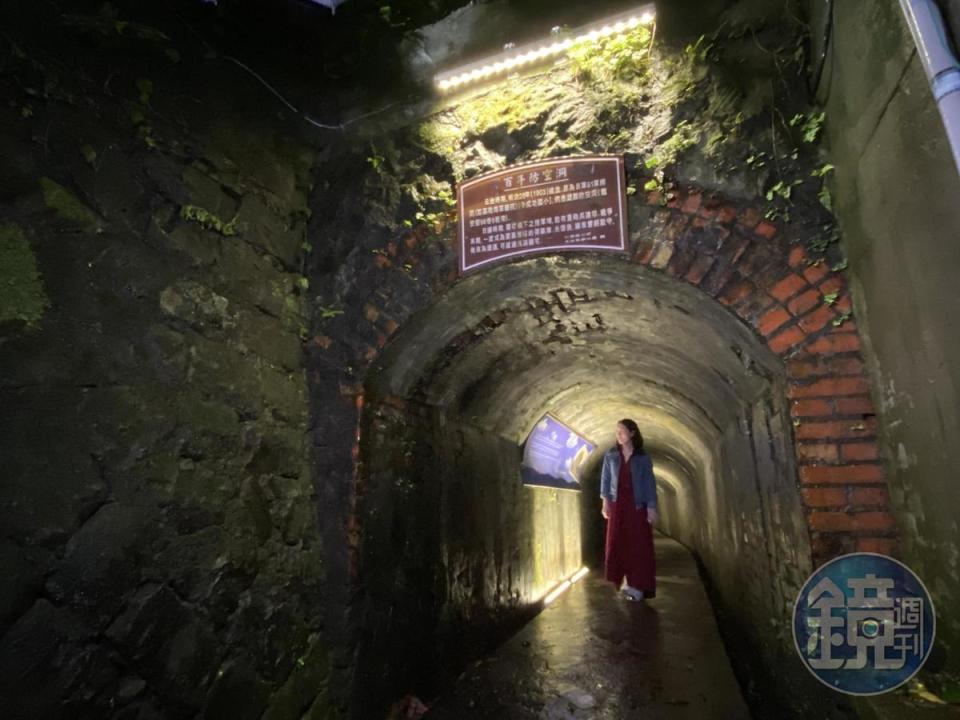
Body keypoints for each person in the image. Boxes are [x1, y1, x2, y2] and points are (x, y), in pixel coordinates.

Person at [600, 419, 658, 601]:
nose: (618, 434)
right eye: (617, 431)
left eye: (622, 431)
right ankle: (624, 579)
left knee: (638, 545)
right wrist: (605, 503)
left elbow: (649, 483)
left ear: (632, 433)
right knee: (617, 543)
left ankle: (638, 584)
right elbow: (605, 480)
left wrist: (651, 507)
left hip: (637, 506)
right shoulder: (610, 456)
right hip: (618, 505)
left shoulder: (643, 458)